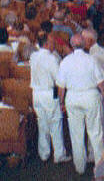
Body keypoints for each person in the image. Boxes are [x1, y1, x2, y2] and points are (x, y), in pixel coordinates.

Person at [58, 33, 104, 174]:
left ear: (71, 46)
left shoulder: (65, 62)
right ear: (84, 44)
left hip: (72, 98)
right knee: (95, 133)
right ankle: (100, 167)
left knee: (76, 133)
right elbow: (101, 83)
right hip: (91, 96)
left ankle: (80, 167)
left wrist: (61, 103)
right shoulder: (91, 60)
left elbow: (61, 87)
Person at [30, 33, 68, 165]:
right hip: (49, 93)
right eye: (52, 42)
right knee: (56, 123)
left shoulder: (33, 56)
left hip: (36, 93)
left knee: (42, 123)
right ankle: (59, 154)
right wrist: (62, 100)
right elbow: (59, 79)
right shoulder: (52, 59)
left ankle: (44, 153)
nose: (54, 44)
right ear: (46, 44)